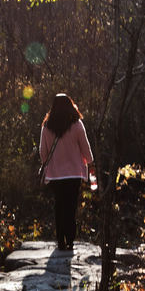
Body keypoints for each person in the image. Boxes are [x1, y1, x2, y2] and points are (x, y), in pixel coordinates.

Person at [39, 93, 94, 251]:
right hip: (74, 173)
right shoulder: (77, 125)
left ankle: (60, 240)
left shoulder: (46, 126)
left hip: (55, 174)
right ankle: (70, 240)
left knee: (59, 205)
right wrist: (90, 163)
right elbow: (85, 146)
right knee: (70, 207)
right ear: (70, 105)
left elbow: (43, 152)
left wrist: (45, 163)